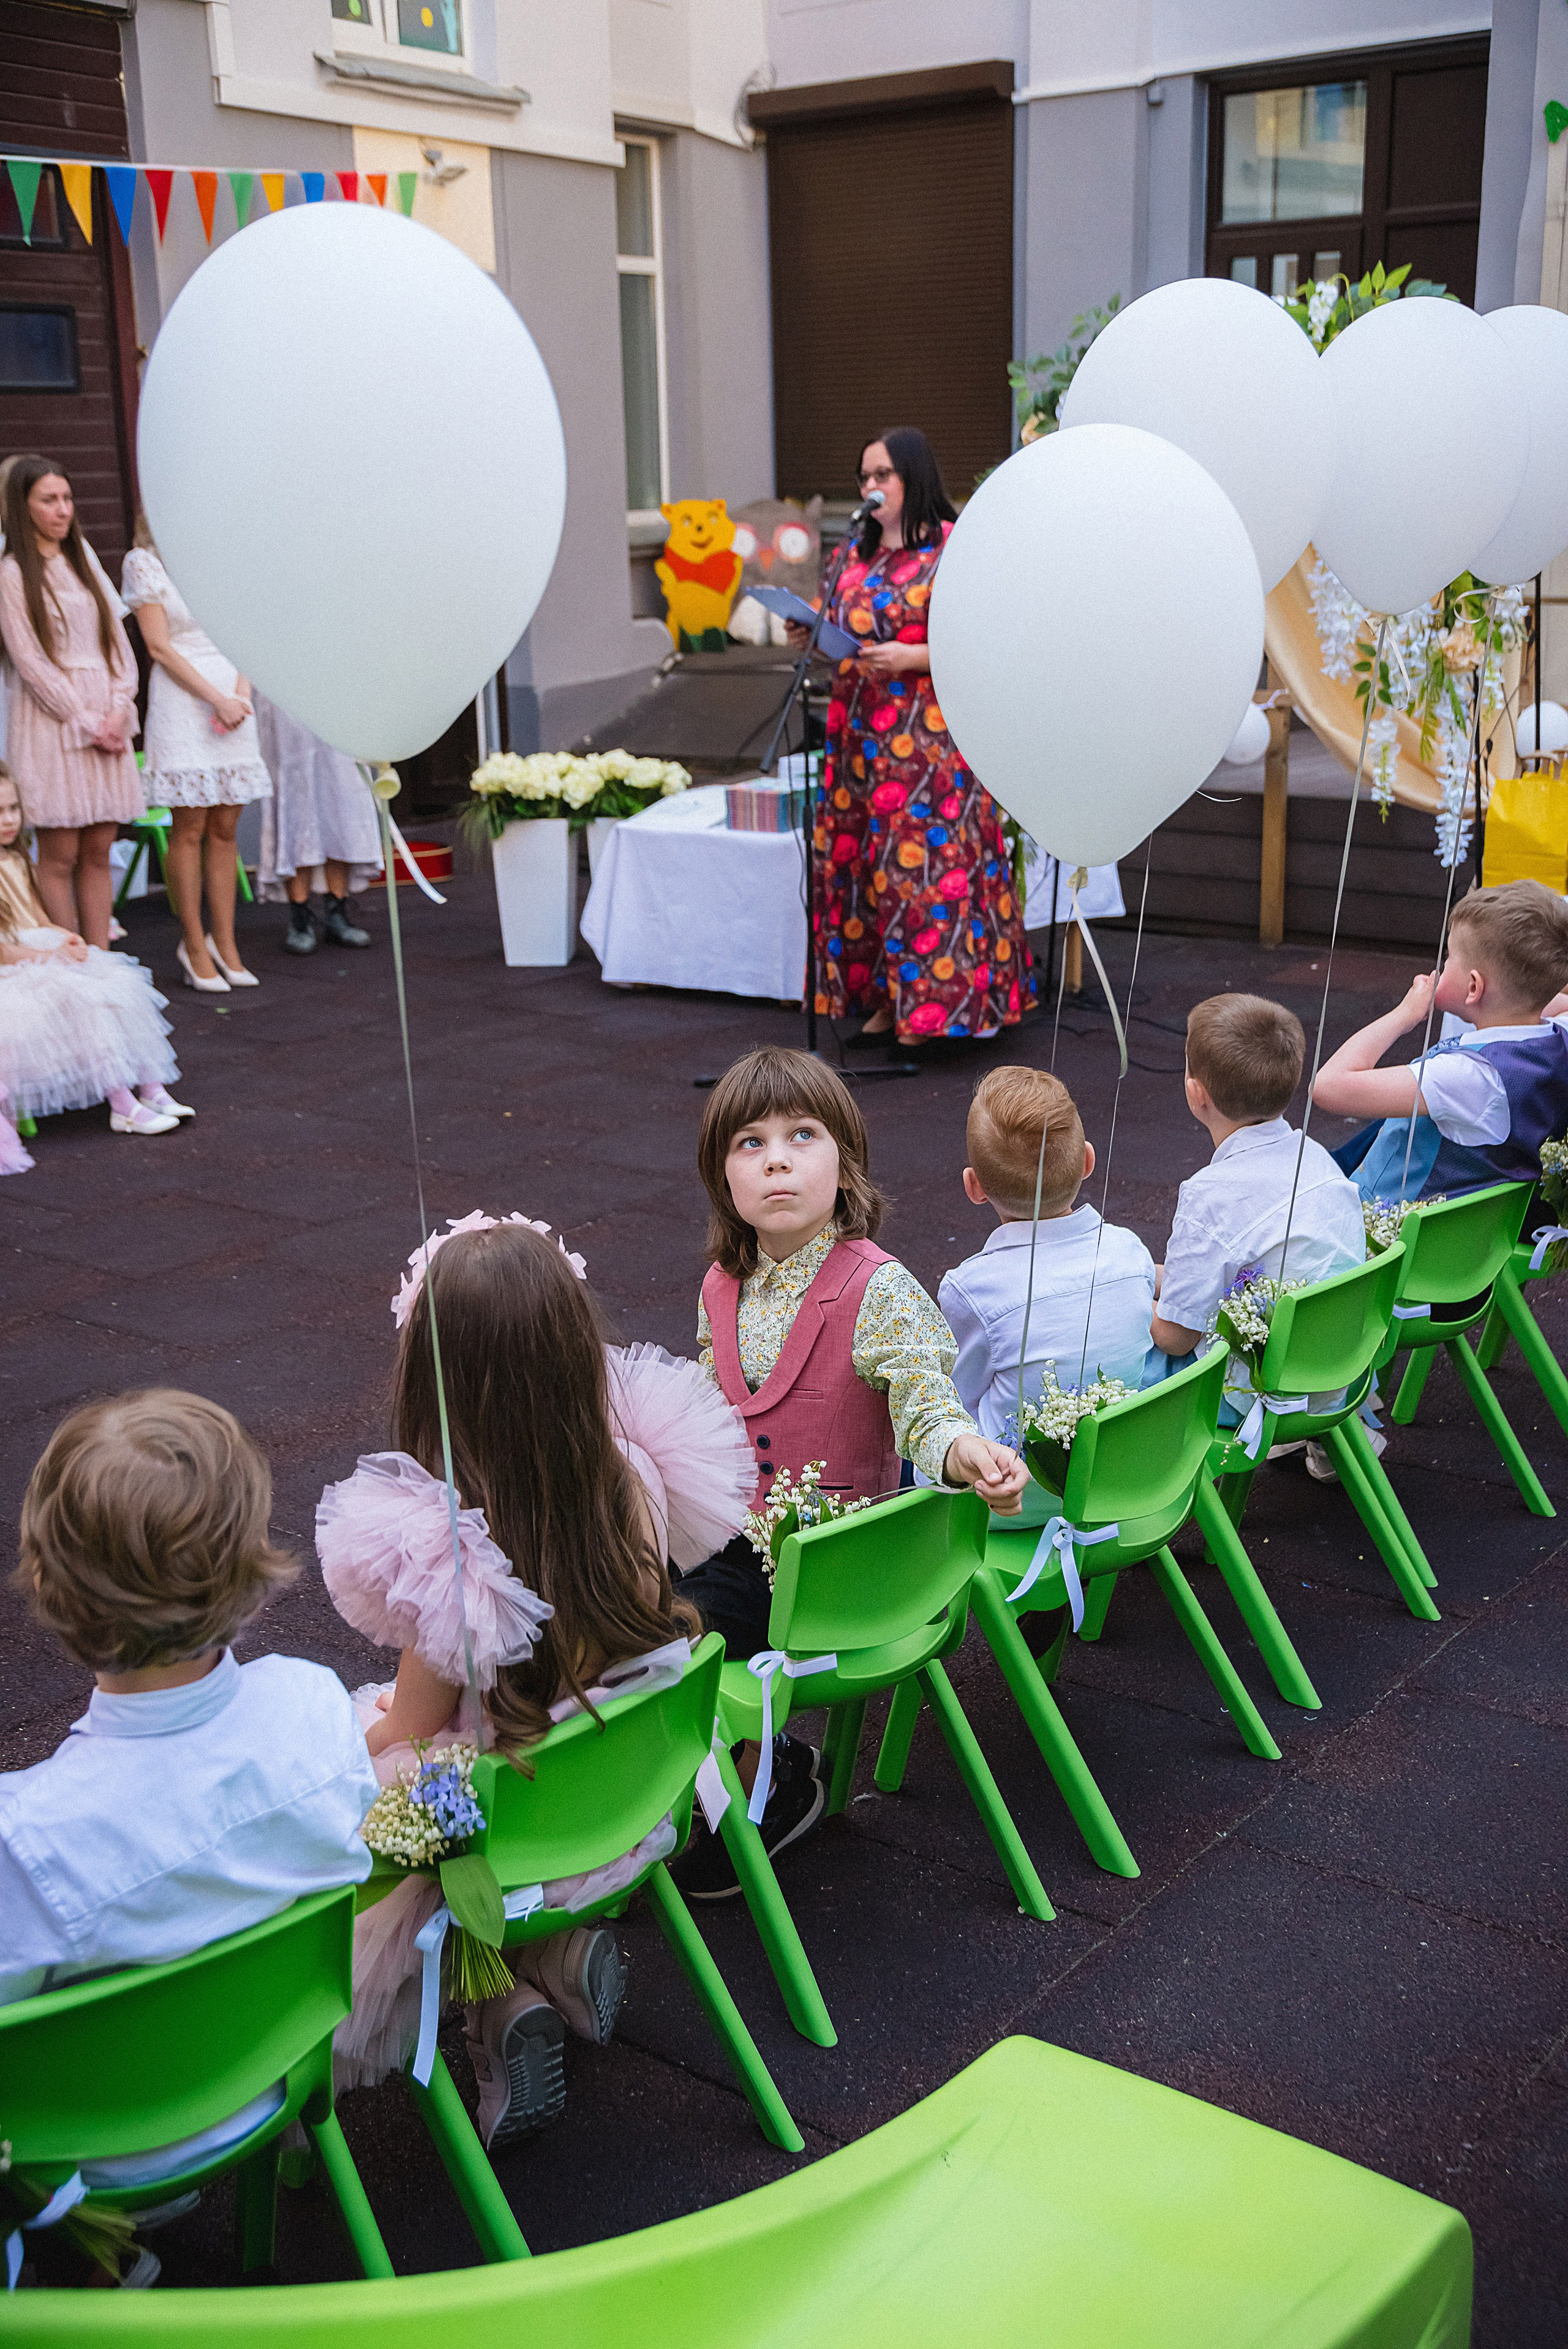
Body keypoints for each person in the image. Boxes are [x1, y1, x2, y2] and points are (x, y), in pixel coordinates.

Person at [315, 1214, 752, 2144]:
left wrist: (343, 1758)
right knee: (481, 1757)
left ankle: (499, 2008)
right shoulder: (633, 1471)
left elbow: (414, 1731)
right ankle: (561, 1952)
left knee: (391, 1772)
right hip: (627, 1803)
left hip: (513, 1832)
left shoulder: (451, 1541)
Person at [673, 1046, 1028, 1895]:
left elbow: (925, 1397)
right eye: (750, 1143)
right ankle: (696, 1777)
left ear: (846, 1159)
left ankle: (767, 1776)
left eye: (803, 1134)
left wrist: (962, 1448)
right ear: (723, 1177)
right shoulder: (723, 1285)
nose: (779, 1158)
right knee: (607, 1589)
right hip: (737, 1538)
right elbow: (698, 1414)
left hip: (836, 1564)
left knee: (665, 1624)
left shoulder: (879, 1286)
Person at [1, 1389, 378, 2007]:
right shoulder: (315, 1705)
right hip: (280, 2070)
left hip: (101, 2104)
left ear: (45, 1579)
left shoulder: (27, 1841)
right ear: (253, 1579)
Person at [787, 427, 1033, 1047]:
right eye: (863, 478)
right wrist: (810, 637)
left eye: (882, 476)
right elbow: (842, 628)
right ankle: (887, 996)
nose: (870, 488)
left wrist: (913, 657)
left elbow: (985, 640)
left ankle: (934, 1009)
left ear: (912, 478)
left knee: (922, 869)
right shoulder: (854, 556)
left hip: (926, 742)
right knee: (865, 865)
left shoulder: (953, 549)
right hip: (857, 737)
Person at [1151, 993, 1365, 1477]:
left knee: (1123, 1348)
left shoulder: (1209, 1194)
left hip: (1258, 1393)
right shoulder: (1315, 1156)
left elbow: (1175, 1338)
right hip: (1338, 1371)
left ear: (1196, 1092)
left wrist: (1123, 1305)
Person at [940, 1065, 1157, 1444]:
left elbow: (957, 1397)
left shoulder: (971, 1289)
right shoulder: (1129, 1250)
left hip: (1009, 1492)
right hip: (1123, 1469)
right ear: (1088, 1161)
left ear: (974, 1187)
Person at [1314, 880, 1568, 1204]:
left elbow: (1327, 1086)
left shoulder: (1465, 1076)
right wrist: (1524, 995)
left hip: (1382, 1237)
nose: (1441, 965)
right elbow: (1548, 1003)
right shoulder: (1559, 1035)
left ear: (1474, 987)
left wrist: (1403, 1015)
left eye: (1449, 958)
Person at [0, 761, 187, 1166]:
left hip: (36, 950)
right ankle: (121, 1102)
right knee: (81, 996)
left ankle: (150, 1086)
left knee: (116, 980)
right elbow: (5, 949)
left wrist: (65, 937)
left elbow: (38, 920)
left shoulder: (16, 861)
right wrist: (49, 954)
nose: (9, 820)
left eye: (13, 808)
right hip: (13, 968)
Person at [121, 521, 272, 995]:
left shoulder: (223, 560)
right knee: (189, 829)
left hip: (234, 698)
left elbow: (248, 632)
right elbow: (159, 646)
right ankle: (193, 943)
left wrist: (240, 695)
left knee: (225, 829)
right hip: (185, 700)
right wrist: (216, 699)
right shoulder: (143, 560)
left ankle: (225, 942)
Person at [0, 458, 143, 949]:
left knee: (100, 847)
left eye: (67, 498)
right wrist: (83, 719)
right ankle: (69, 955)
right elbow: (30, 659)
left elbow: (116, 641)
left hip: (105, 710)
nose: (63, 510)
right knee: (60, 850)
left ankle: (102, 954)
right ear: (23, 507)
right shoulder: (13, 573)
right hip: (53, 719)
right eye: (49, 500)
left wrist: (120, 704)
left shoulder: (81, 558)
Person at [253, 692, 379, 956]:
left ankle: (337, 909)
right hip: (285, 690)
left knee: (341, 796)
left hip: (334, 690)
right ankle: (299, 915)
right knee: (297, 799)